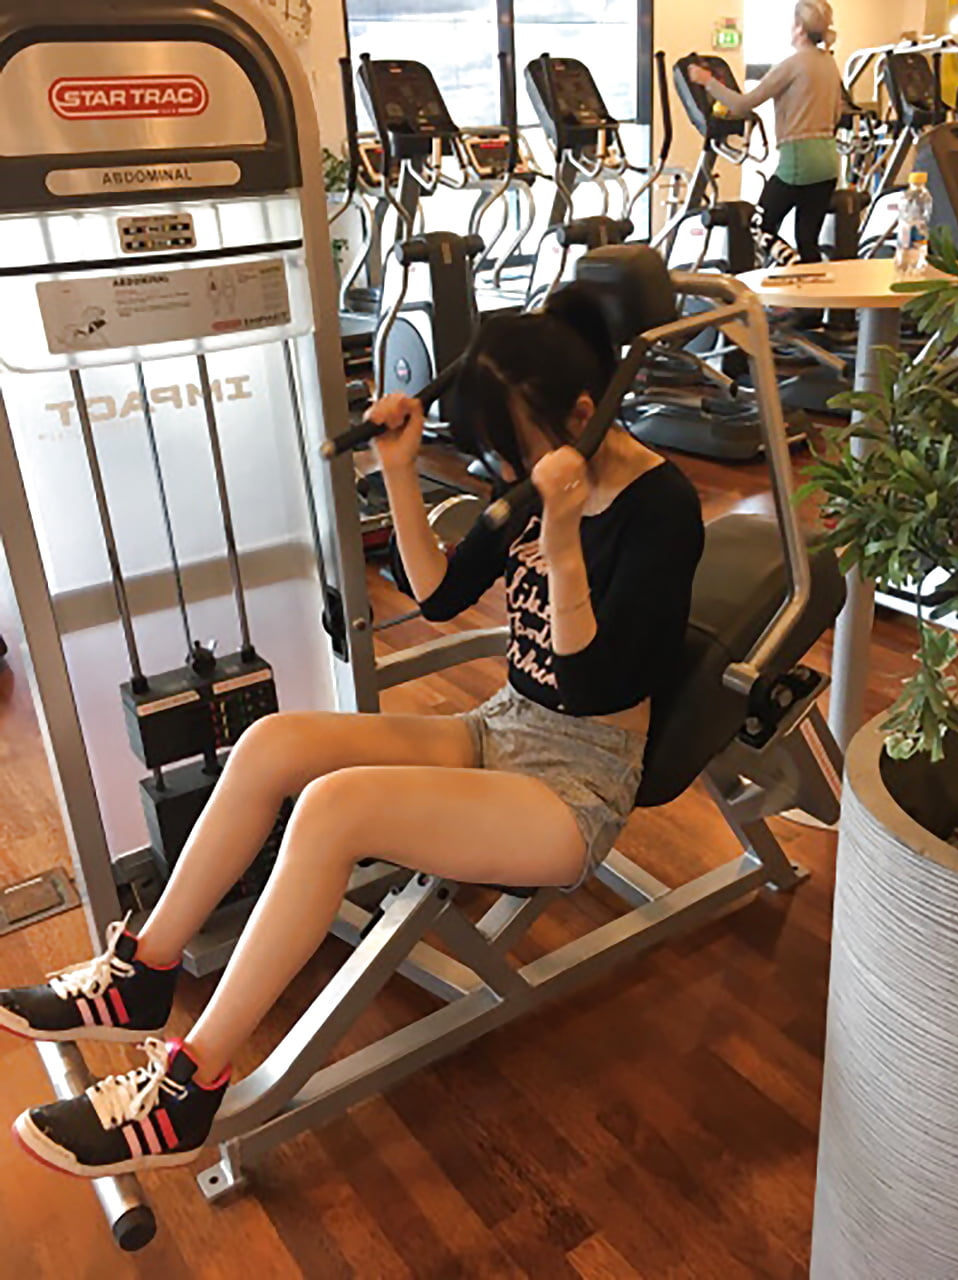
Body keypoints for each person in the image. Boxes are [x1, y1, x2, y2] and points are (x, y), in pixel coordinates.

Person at [0, 286, 704, 1179]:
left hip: (579, 783)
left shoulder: (660, 507)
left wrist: (562, 541)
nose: (511, 474)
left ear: (582, 412)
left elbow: (594, 683)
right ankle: (143, 972)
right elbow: (439, 594)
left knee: (335, 809)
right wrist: (400, 469)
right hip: (505, 725)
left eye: (517, 452)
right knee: (275, 744)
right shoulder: (551, 475)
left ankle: (189, 1091)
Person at [688, 0, 843, 264]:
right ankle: (811, 288)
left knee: (758, 227)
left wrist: (707, 81)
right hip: (828, 162)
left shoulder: (792, 64)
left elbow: (742, 104)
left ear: (799, 28)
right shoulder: (828, 62)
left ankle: (792, 269)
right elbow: (837, 113)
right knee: (807, 240)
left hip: (799, 161)